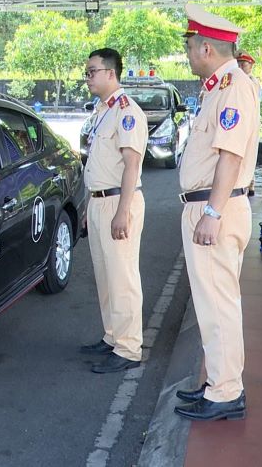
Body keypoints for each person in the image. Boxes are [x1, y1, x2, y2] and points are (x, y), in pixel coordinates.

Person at [173, 5, 259, 422]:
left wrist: (212, 211)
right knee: (212, 304)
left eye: (190, 47)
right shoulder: (219, 87)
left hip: (215, 207)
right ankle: (218, 383)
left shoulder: (233, 87)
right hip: (210, 206)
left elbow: (230, 156)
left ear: (206, 48)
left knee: (219, 304)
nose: (188, 55)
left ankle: (226, 392)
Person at [78, 47, 149, 374]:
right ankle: (112, 336)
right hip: (99, 201)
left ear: (110, 73)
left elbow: (132, 165)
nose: (88, 78)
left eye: (92, 72)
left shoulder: (126, 111)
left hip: (119, 202)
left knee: (122, 278)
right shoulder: (103, 111)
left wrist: (122, 211)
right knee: (106, 276)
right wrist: (89, 205)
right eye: (86, 73)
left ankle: (129, 348)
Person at [236, 50, 259, 197]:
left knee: (247, 156)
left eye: (243, 64)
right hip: (240, 123)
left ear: (250, 66)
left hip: (248, 123)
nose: (240, 67)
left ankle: (249, 184)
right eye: (238, 64)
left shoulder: (252, 82)